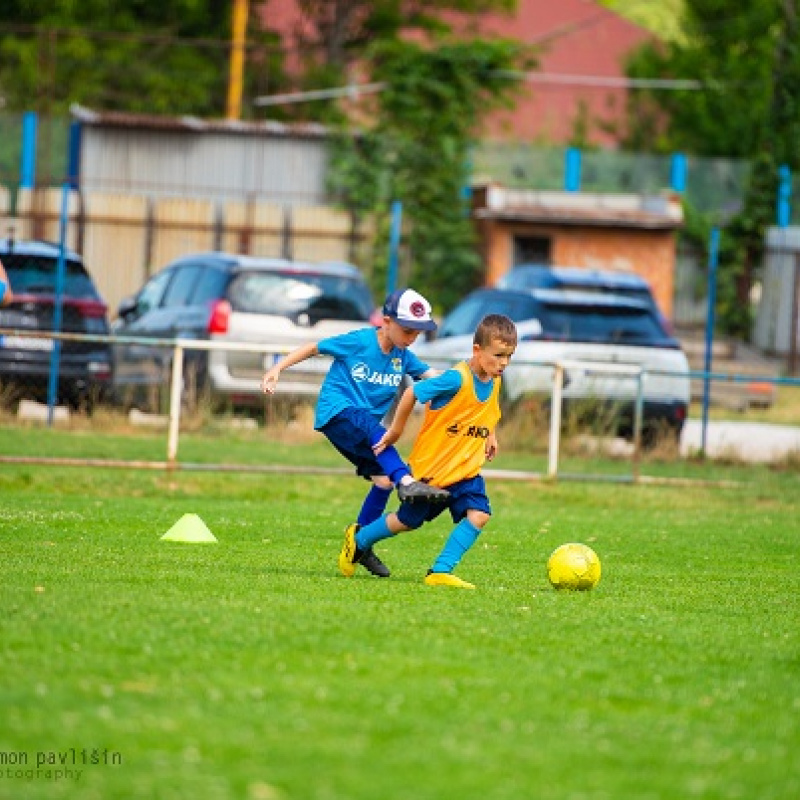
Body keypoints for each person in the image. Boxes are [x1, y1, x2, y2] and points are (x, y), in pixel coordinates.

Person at [261, 287, 450, 578]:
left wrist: (462, 381)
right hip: (338, 413)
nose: (412, 338)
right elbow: (313, 347)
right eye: (407, 330)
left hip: (366, 431)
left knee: (383, 480)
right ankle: (407, 481)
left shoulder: (403, 356)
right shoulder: (359, 341)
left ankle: (360, 545)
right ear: (386, 321)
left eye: (417, 333)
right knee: (377, 433)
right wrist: (277, 369)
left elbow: (431, 377)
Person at [338, 313, 517, 588]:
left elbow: (486, 410)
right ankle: (359, 539)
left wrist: (490, 434)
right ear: (477, 350)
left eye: (509, 357)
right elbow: (412, 393)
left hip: (465, 471)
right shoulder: (456, 379)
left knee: (480, 515)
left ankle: (440, 571)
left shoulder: (494, 379)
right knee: (407, 522)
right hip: (431, 472)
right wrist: (395, 431)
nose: (504, 363)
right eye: (498, 355)